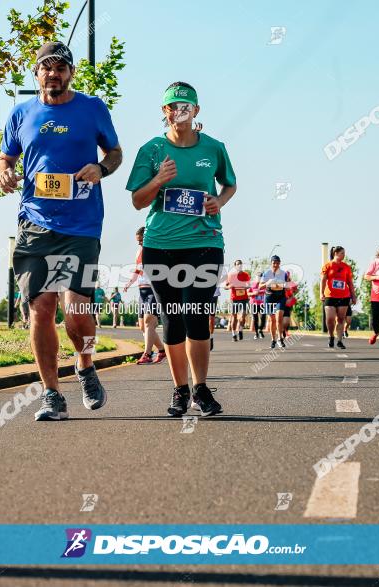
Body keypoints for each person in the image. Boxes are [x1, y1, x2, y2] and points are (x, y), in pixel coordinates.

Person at [0, 41, 122, 421]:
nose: (54, 74)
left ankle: (85, 364)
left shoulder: (93, 108)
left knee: (77, 311)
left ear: (71, 73)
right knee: (41, 309)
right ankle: (52, 394)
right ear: (37, 74)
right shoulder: (21, 114)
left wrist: (102, 169)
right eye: (46, 68)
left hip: (82, 225)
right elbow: (5, 157)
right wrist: (2, 172)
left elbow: (114, 152)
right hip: (35, 223)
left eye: (61, 68)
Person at [127, 81, 236, 417]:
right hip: (161, 245)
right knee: (173, 318)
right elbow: (136, 201)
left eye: (186, 106)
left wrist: (218, 201)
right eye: (173, 106)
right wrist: (159, 179)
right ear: (165, 111)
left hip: (204, 242)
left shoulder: (213, 148)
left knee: (198, 315)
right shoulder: (152, 150)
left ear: (196, 111)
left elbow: (230, 183)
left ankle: (201, 389)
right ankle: (179, 390)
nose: (180, 111)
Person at [124, 227, 165, 365]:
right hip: (142, 290)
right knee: (143, 326)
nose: (139, 243)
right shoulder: (139, 251)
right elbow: (137, 269)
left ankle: (147, 354)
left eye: (141, 240)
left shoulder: (158, 248)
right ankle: (162, 350)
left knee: (149, 321)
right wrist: (130, 282)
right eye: (138, 241)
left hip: (155, 289)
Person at [320, 246, 356, 350]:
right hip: (330, 296)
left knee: (341, 319)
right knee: (330, 319)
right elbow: (323, 280)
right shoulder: (328, 266)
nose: (344, 255)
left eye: (344, 253)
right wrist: (321, 293)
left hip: (343, 296)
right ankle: (331, 336)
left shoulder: (346, 267)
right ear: (335, 253)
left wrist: (353, 296)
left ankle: (339, 341)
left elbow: (350, 282)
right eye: (342, 253)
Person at [260, 255, 290, 349]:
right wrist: (267, 283)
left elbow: (289, 284)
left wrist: (286, 284)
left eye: (277, 263)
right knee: (272, 319)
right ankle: (273, 339)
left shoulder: (283, 273)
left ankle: (280, 339)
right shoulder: (267, 273)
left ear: (279, 263)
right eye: (274, 263)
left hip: (280, 297)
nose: (276, 265)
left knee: (279, 318)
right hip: (269, 297)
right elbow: (260, 286)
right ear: (271, 263)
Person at [224, 260, 250, 341]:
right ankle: (233, 334)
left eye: (240, 264)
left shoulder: (245, 274)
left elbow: (249, 285)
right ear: (235, 266)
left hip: (244, 298)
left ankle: (240, 330)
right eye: (238, 264)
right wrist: (230, 286)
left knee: (243, 316)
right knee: (234, 317)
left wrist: (245, 287)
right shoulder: (231, 275)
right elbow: (225, 286)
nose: (239, 265)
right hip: (234, 299)